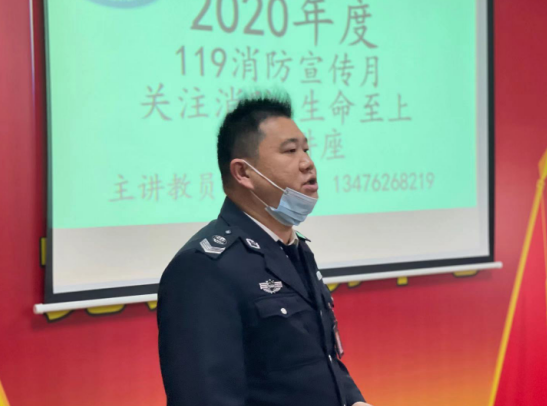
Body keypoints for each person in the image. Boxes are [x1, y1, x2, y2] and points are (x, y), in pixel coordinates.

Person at [157, 94, 371, 406]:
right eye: (290, 151)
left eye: (306, 149)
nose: (307, 163)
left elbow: (321, 359)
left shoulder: (295, 248)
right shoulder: (203, 268)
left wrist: (354, 401)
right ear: (243, 173)